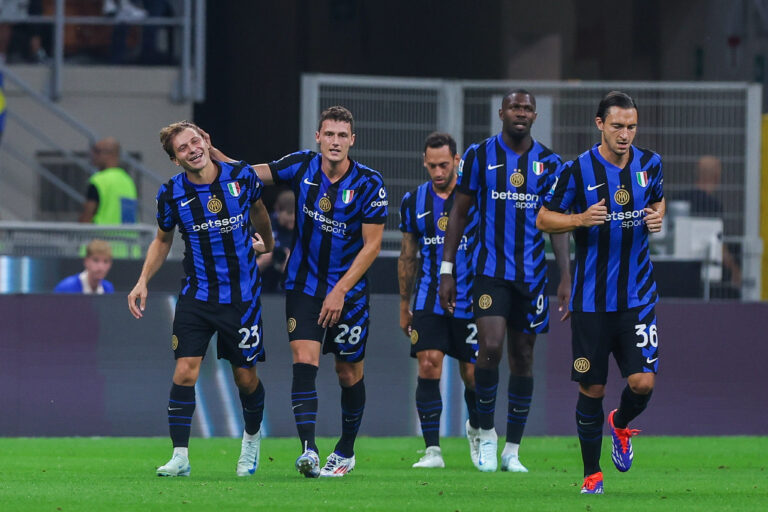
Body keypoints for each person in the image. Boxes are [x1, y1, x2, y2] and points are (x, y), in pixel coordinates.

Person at [208, 105, 387, 478]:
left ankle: (346, 451)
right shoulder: (302, 166)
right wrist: (212, 153)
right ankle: (308, 450)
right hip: (303, 285)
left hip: (348, 291)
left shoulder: (370, 183)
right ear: (318, 137)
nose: (335, 142)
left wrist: (339, 290)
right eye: (329, 134)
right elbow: (248, 173)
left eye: (342, 136)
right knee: (304, 361)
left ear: (352, 140)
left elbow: (372, 247)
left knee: (348, 371)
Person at [127, 120, 275, 478]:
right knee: (184, 370)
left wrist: (268, 245)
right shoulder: (171, 193)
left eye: (195, 141)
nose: (192, 149)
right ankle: (180, 456)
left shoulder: (240, 177)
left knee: (245, 378)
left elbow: (258, 212)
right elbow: (162, 240)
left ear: (205, 142)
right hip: (197, 296)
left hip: (241, 297)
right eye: (182, 148)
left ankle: (251, 440)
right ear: (176, 160)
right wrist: (142, 280)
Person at [536, 91, 665, 494]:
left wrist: (659, 216)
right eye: (617, 126)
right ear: (599, 125)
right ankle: (592, 474)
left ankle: (621, 425)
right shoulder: (577, 171)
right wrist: (578, 218)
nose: (625, 134)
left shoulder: (651, 164)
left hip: (638, 297)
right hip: (591, 301)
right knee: (592, 388)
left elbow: (658, 201)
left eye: (631, 126)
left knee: (643, 382)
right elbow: (543, 217)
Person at [439, 89, 571, 473]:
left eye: (528, 108)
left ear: (535, 116)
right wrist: (447, 270)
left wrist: (565, 276)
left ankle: (512, 450)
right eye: (515, 106)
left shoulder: (550, 163)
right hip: (489, 272)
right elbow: (458, 212)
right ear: (501, 111)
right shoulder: (480, 156)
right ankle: (484, 431)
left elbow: (558, 223)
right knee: (491, 347)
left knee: (523, 357)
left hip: (531, 277)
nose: (521, 112)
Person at [399, 133, 480, 468]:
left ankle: (477, 431)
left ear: (457, 160)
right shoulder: (413, 201)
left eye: (444, 164)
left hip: (472, 297)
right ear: (424, 162)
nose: (437, 171)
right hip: (429, 298)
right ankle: (432, 450)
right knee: (429, 363)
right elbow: (407, 255)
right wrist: (405, 304)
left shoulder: (476, 197)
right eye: (431, 165)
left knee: (473, 374)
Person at [676, 154, 741, 287]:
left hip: (678, 267)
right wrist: (735, 270)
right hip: (705, 272)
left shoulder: (679, 199)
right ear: (717, 177)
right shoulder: (713, 205)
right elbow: (718, 244)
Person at [79, 137, 138, 225]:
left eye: (97, 151)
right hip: (127, 237)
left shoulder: (98, 180)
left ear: (110, 153)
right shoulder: (128, 180)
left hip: (101, 236)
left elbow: (86, 218)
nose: (93, 155)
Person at [257, 189, 295, 292]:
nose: (293, 218)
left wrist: (291, 266)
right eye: (290, 213)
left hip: (287, 290)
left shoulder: (301, 229)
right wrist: (261, 262)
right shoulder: (263, 227)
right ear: (278, 210)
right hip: (262, 287)